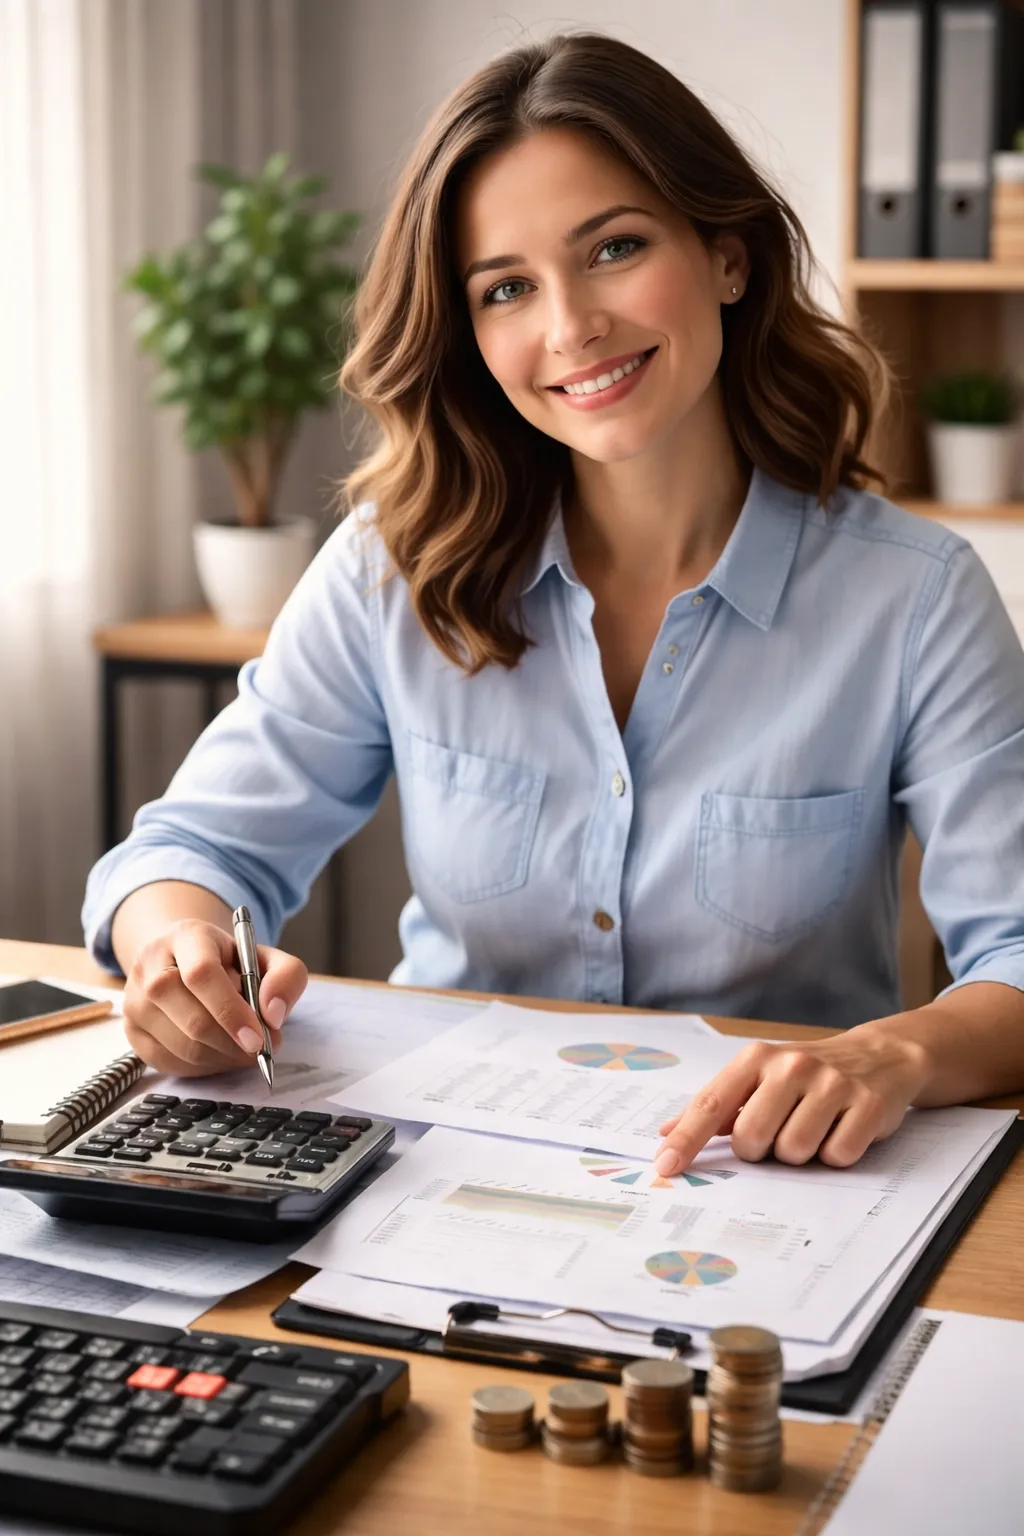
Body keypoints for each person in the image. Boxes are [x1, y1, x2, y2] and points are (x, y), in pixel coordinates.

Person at [83, 32, 1024, 1178]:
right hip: (435, 1177)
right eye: (507, 288)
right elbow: (196, 847)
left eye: (615, 248)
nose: (570, 326)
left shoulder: (914, 599)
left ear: (726, 258)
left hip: (772, 1190)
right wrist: (178, 950)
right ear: (470, 333)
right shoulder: (395, 565)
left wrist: (897, 1054)